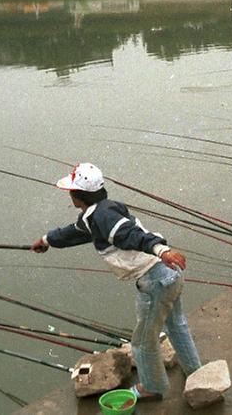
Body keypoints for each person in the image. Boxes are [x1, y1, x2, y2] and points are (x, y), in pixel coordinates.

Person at [31, 163, 202, 400]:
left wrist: (160, 249)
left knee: (143, 342)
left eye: (71, 190)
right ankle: (196, 373)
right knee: (175, 324)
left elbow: (128, 235)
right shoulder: (99, 213)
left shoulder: (104, 216)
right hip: (168, 275)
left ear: (78, 194)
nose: (69, 194)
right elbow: (74, 232)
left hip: (155, 281)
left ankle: (153, 388)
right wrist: (47, 240)